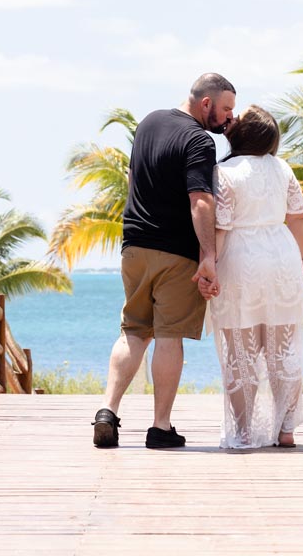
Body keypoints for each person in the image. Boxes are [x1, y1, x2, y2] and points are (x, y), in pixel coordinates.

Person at [92, 73, 236, 449]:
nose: (228, 119)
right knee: (169, 336)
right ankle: (160, 427)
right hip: (176, 253)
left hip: (134, 245)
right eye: (225, 110)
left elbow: (132, 179)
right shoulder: (199, 140)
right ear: (206, 104)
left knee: (134, 330)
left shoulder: (149, 122)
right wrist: (208, 257)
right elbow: (200, 200)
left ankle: (107, 411)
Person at [202, 105, 303, 449]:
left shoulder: (224, 172)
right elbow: (298, 219)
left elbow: (221, 227)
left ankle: (245, 429)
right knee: (283, 347)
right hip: (283, 255)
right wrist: (302, 262)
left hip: (241, 257)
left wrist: (209, 265)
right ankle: (286, 427)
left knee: (240, 349)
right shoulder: (284, 168)